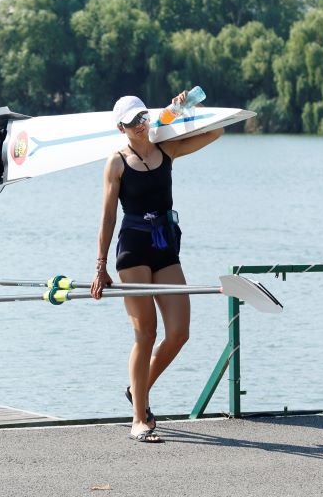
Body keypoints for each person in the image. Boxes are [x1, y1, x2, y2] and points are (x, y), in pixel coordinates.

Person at [90, 93, 224, 443]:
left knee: (179, 332)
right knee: (145, 333)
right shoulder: (116, 163)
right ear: (121, 127)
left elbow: (216, 133)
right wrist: (100, 266)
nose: (140, 124)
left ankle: (138, 389)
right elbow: (107, 217)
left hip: (165, 246)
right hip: (132, 249)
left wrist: (182, 110)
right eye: (133, 121)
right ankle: (139, 419)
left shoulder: (167, 149)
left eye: (143, 117)